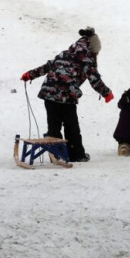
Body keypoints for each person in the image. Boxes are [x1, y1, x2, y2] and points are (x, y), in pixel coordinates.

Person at [21, 27, 113, 162]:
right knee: (71, 126)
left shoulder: (64, 54)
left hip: (49, 94)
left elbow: (47, 67)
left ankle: (56, 153)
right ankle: (76, 154)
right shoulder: (86, 59)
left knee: (54, 125)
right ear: (92, 49)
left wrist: (30, 74)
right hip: (67, 96)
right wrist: (106, 93)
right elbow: (94, 79)